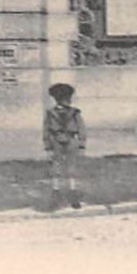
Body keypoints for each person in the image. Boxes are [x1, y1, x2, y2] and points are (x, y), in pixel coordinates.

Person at [43, 82, 86, 211]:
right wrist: (48, 147)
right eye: (62, 99)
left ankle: (73, 195)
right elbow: (46, 130)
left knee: (71, 167)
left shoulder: (75, 113)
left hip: (71, 140)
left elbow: (81, 129)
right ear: (57, 99)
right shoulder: (50, 113)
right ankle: (55, 196)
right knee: (56, 168)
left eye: (67, 99)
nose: (66, 101)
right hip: (56, 140)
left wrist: (81, 145)